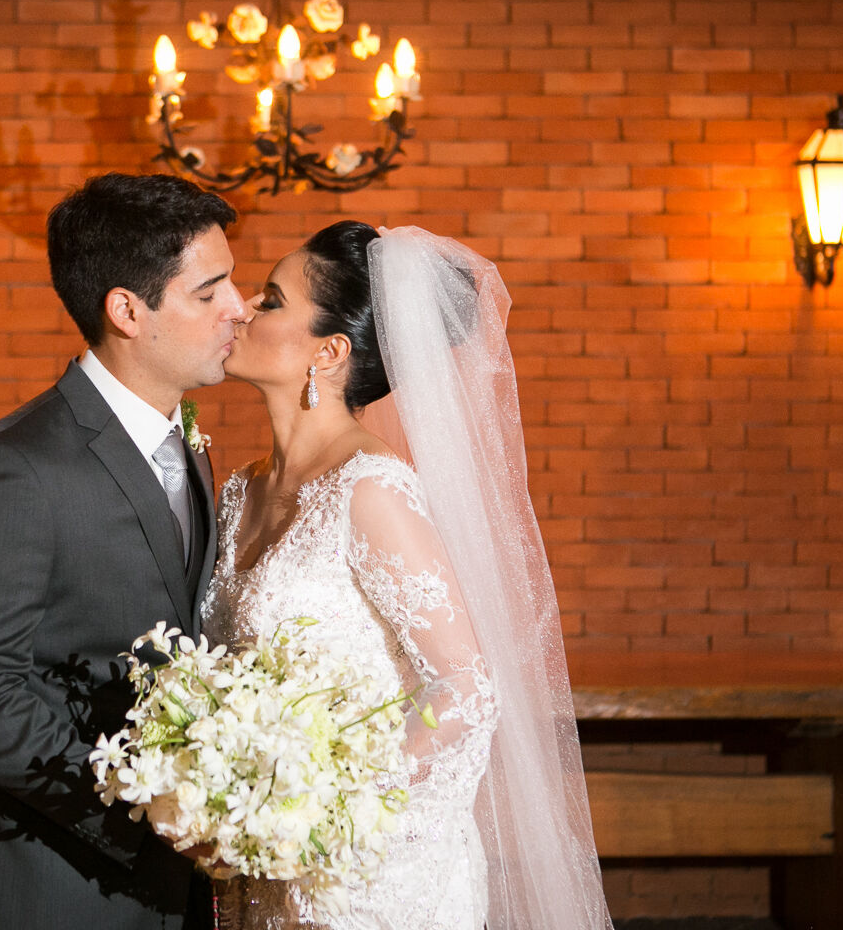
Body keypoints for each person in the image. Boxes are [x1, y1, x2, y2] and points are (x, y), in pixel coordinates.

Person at [200, 222, 614, 928]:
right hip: (263, 864)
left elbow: (467, 690)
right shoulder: (240, 490)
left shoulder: (370, 490)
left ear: (329, 352)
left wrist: (318, 806)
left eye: (270, 300)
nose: (241, 308)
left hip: (368, 873)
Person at [0, 172, 246, 930]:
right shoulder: (10, 467)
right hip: (49, 881)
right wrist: (140, 802)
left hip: (175, 889)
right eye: (209, 291)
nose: (238, 308)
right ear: (127, 310)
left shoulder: (188, 447)